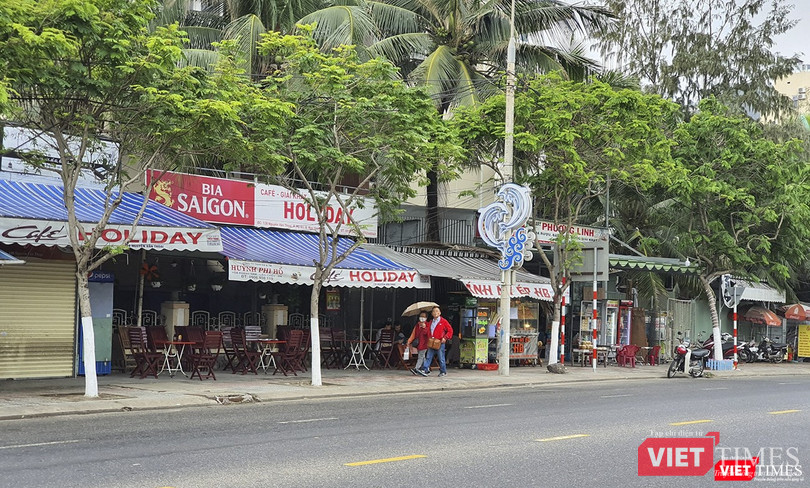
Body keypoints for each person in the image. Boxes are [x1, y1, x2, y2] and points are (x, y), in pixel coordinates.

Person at [417, 306, 453, 377]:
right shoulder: (430, 322)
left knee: (441, 357)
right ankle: (425, 369)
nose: (435, 313)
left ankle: (443, 371)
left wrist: (445, 338)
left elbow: (450, 330)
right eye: (434, 311)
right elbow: (427, 332)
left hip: (439, 342)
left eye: (437, 311)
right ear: (432, 313)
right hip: (431, 342)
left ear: (440, 313)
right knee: (428, 356)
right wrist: (424, 327)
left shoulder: (443, 321)